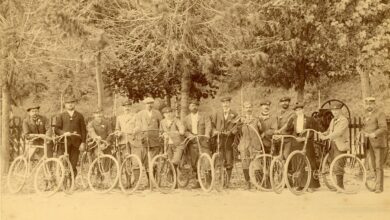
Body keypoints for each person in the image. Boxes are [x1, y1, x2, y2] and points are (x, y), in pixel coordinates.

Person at [319, 102, 350, 190]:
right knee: (333, 165)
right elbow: (329, 131)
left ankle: (340, 187)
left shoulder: (344, 120)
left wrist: (327, 137)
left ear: (340, 110)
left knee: (338, 165)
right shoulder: (333, 120)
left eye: (337, 110)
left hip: (340, 145)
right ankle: (337, 186)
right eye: (333, 110)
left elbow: (338, 133)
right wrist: (323, 134)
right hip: (332, 145)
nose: (335, 112)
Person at [182, 99, 212, 189]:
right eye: (191, 105)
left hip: (203, 140)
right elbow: (184, 130)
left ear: (198, 107)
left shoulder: (204, 116)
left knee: (206, 160)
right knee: (194, 163)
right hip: (193, 141)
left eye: (195, 105)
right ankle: (198, 181)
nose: (193, 107)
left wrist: (207, 134)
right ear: (189, 107)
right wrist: (189, 135)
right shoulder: (186, 119)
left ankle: (208, 181)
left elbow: (208, 125)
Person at [291, 102, 320, 192]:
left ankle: (311, 185)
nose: (298, 111)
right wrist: (279, 133)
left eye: (300, 109)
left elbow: (313, 130)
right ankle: (300, 184)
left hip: (307, 142)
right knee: (299, 163)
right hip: (297, 143)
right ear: (295, 112)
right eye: (296, 110)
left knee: (309, 162)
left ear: (303, 110)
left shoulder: (309, 119)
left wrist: (305, 138)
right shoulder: (293, 120)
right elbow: (288, 129)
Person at [54, 96, 87, 177]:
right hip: (63, 143)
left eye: (72, 103)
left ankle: (71, 182)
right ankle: (63, 183)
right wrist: (63, 133)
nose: (70, 105)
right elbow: (56, 129)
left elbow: (83, 130)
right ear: (65, 105)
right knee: (63, 163)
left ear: (74, 104)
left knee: (73, 164)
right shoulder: (61, 115)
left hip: (76, 144)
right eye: (68, 103)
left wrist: (83, 142)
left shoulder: (79, 116)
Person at [211, 96, 238, 188]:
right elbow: (212, 125)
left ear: (230, 103)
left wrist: (231, 132)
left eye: (227, 102)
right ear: (221, 104)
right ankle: (221, 179)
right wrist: (214, 131)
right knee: (219, 158)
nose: (225, 104)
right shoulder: (217, 113)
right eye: (224, 103)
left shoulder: (234, 113)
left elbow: (237, 126)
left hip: (229, 139)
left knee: (229, 159)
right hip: (219, 138)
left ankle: (227, 181)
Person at [134, 97, 163, 184]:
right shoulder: (140, 114)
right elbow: (138, 125)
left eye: (151, 103)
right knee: (147, 162)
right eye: (147, 103)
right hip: (144, 140)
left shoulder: (157, 113)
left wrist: (161, 134)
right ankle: (149, 182)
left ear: (153, 104)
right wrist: (136, 130)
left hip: (155, 139)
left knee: (154, 161)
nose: (149, 105)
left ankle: (153, 181)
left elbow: (161, 125)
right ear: (144, 104)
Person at [362, 97, 388, 193]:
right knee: (373, 165)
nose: (369, 106)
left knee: (378, 165)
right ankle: (376, 185)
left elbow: (384, 128)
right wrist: (362, 133)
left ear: (374, 104)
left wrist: (374, 134)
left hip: (379, 143)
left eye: (371, 104)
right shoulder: (366, 114)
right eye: (367, 104)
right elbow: (365, 127)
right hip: (370, 143)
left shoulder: (379, 113)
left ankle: (379, 187)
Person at [237, 101, 263, 190]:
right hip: (244, 145)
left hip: (255, 144)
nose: (248, 109)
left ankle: (259, 184)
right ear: (244, 109)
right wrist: (239, 124)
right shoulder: (240, 120)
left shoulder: (257, 119)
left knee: (257, 164)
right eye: (246, 107)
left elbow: (262, 131)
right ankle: (247, 183)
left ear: (252, 108)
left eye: (249, 107)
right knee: (245, 164)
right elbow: (236, 133)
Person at [160, 106, 185, 188]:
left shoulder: (176, 120)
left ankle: (176, 180)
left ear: (172, 113)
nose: (168, 115)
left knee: (175, 161)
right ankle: (174, 182)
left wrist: (180, 131)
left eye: (170, 112)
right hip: (168, 145)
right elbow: (160, 132)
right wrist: (162, 134)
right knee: (170, 163)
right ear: (164, 115)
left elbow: (181, 128)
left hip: (178, 144)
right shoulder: (162, 122)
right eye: (166, 113)